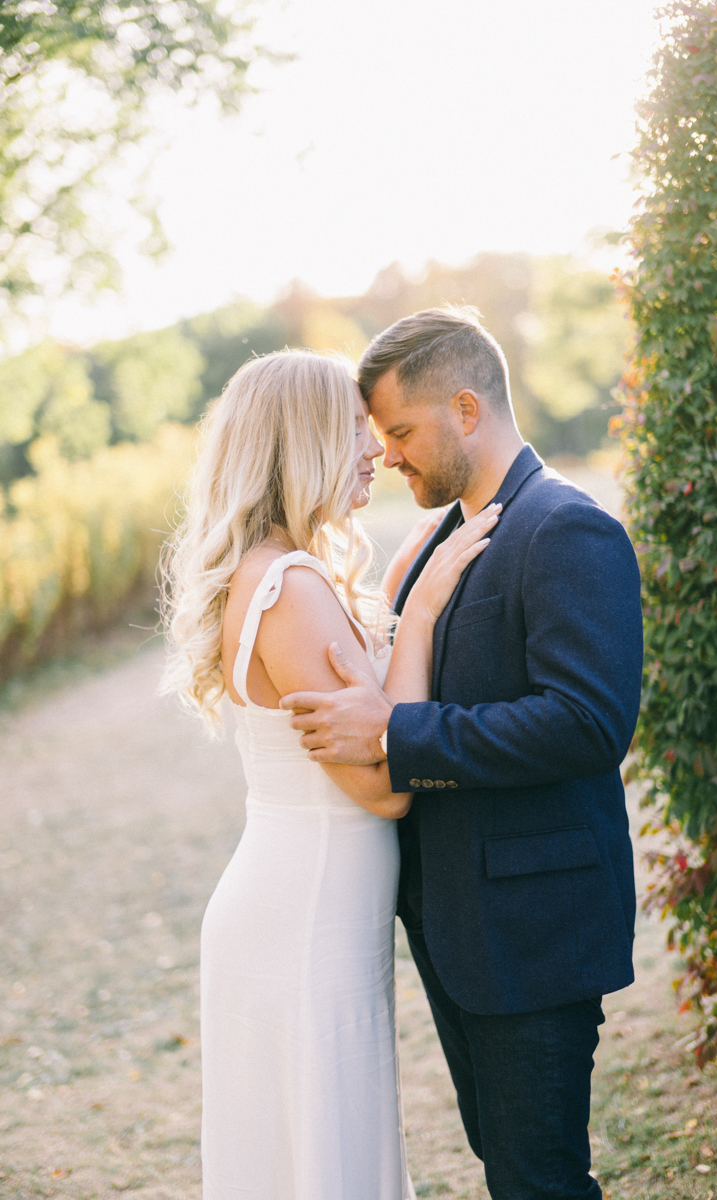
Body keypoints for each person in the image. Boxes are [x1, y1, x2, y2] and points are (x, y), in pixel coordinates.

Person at [280, 308, 644, 1200]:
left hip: (535, 925)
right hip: (458, 925)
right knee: (507, 1167)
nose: (390, 456)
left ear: (467, 408)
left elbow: (587, 724)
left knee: (540, 1178)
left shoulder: (564, 528)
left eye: (401, 432)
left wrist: (394, 735)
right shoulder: (444, 535)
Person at [160, 348, 500, 1200]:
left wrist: (391, 590)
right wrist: (419, 609)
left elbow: (372, 708)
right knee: (321, 1163)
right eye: (355, 428)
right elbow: (383, 784)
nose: (376, 451)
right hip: (303, 920)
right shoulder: (291, 583)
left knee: (313, 1157)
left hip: (304, 910)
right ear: (304, 440)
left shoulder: (278, 573)